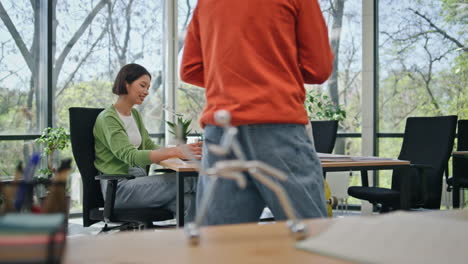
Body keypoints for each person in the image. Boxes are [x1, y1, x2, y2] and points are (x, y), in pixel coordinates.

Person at [181, 0, 334, 225]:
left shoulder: (206, 3)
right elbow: (318, 69)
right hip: (277, 124)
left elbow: (190, 69)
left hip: (222, 134)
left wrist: (231, 82)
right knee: (310, 237)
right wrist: (276, 74)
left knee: (220, 246)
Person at [93, 63, 202, 221]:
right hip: (120, 188)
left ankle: (192, 242)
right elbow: (130, 156)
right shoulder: (108, 118)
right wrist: (175, 152)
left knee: (190, 202)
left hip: (139, 183)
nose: (146, 92)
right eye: (142, 85)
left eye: (148, 87)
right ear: (126, 83)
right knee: (193, 179)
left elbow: (149, 146)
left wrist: (179, 151)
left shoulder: (134, 115)